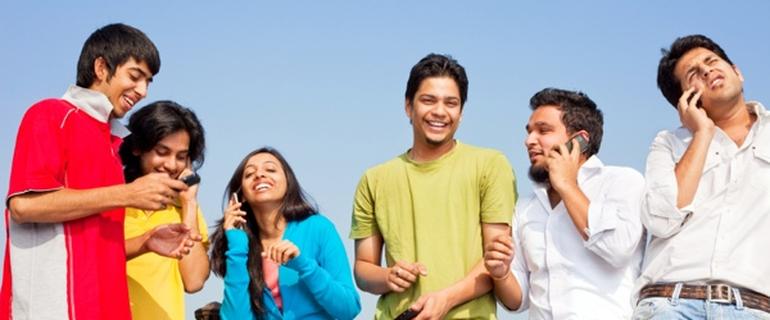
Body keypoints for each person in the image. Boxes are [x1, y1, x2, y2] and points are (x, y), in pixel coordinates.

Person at [1, 23, 193, 319]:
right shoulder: (50, 114)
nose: (142, 91)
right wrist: (127, 193)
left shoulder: (112, 146)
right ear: (102, 67)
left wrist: (146, 242)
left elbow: (92, 252)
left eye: (148, 82)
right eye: (135, 76)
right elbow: (23, 206)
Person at [350, 53, 517, 319]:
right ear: (408, 106)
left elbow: (495, 262)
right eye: (428, 100)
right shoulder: (374, 179)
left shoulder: (491, 165)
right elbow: (363, 268)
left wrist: (445, 299)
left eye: (451, 103)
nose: (439, 111)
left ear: (461, 113)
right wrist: (388, 276)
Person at [633, 34, 770, 318]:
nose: (707, 70)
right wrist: (702, 134)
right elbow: (661, 219)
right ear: (685, 100)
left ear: (738, 72)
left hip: (755, 308)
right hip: (669, 302)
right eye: (693, 73)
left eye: (712, 61)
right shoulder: (668, 144)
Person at [484, 88, 645, 319]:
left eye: (544, 130)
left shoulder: (622, 182)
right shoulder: (525, 207)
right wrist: (500, 274)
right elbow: (517, 301)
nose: (529, 141)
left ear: (580, 140)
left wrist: (567, 185)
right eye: (529, 132)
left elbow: (617, 249)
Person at [210, 147, 361, 320]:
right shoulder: (241, 246)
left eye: (270, 169)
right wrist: (236, 244)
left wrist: (304, 265)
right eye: (250, 174)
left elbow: (349, 309)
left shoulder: (319, 228)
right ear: (241, 195)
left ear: (288, 183)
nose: (259, 175)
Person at [120, 101, 211, 319]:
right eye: (162, 152)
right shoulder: (111, 198)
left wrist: (189, 203)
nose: (171, 165)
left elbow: (194, 281)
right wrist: (146, 241)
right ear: (137, 147)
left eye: (181, 157)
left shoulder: (186, 209)